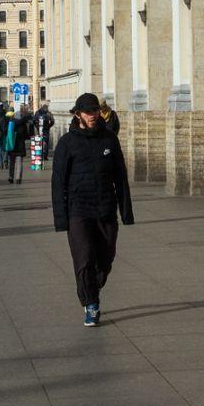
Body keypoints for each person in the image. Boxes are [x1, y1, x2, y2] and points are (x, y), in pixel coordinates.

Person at [51, 92, 134, 327]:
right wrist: (61, 219)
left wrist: (126, 212)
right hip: (79, 210)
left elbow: (120, 176)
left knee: (105, 260)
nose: (93, 116)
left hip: (106, 208)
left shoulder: (109, 139)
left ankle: (92, 286)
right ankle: (91, 304)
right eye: (88, 112)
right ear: (78, 114)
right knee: (84, 258)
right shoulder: (67, 143)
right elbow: (58, 182)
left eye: (96, 111)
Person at [6, 107, 31, 184]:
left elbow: (7, 133)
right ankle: (18, 178)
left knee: (12, 162)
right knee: (19, 162)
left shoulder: (10, 123)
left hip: (12, 145)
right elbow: (26, 136)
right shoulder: (23, 124)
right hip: (20, 145)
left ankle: (11, 177)